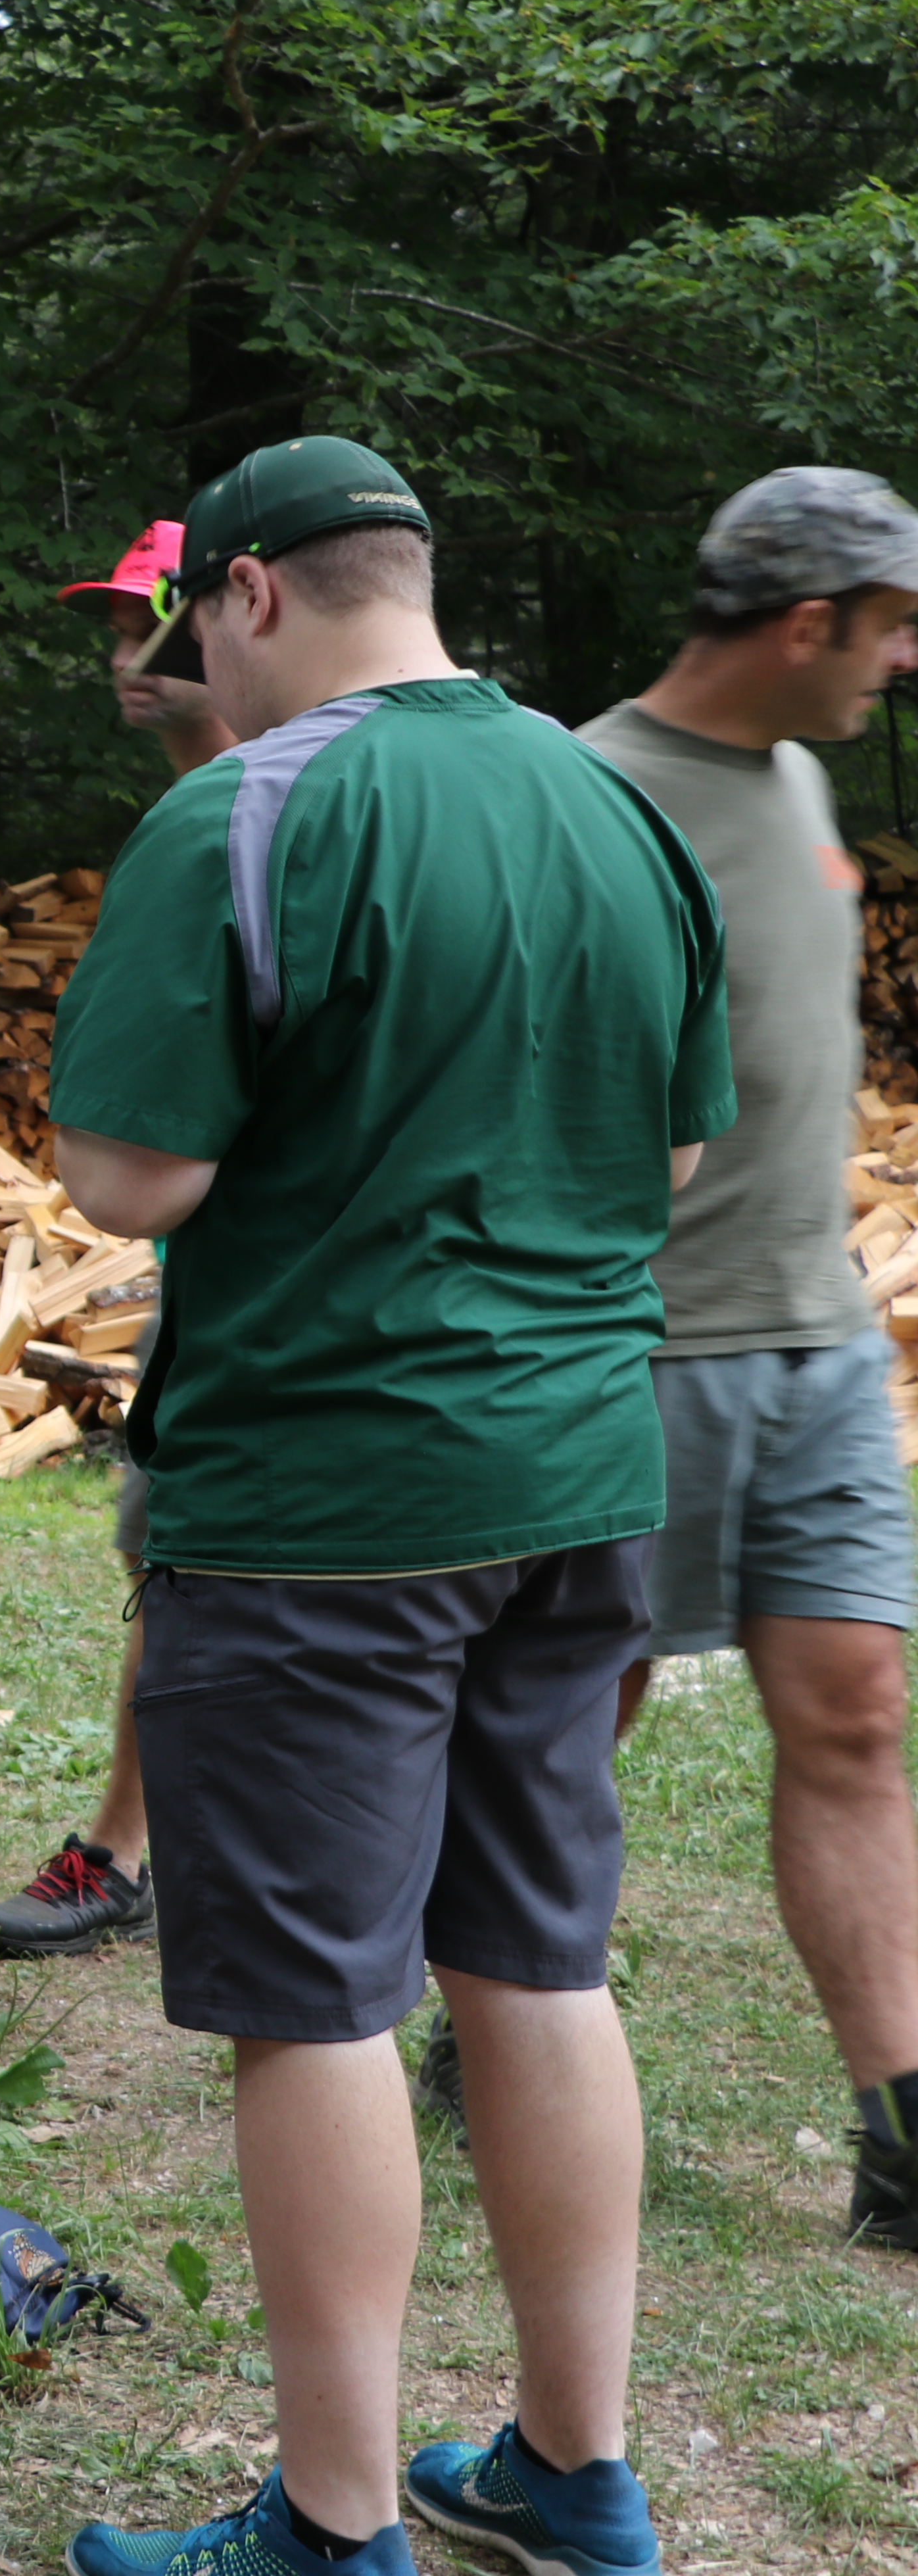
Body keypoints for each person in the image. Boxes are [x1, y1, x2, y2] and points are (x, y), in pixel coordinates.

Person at [53, 435, 729, 2576]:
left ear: (252, 594)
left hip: (324, 1494)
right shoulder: (620, 808)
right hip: (581, 1473)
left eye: (197, 632)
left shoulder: (242, 810)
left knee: (319, 2005)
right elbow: (677, 1162)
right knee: (541, 1964)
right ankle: (573, 2468)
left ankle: (335, 2522)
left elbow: (125, 1175)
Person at [582, 467, 918, 2254]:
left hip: (818, 1336)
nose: (903, 659)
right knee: (580, 1716)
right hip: (636, 1351)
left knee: (855, 1707)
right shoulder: (585, 793)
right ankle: (514, 2014)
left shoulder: (801, 770)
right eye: (889, 627)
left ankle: (904, 2128)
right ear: (808, 626)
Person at [0, 521, 239, 1959]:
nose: (123, 656)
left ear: (244, 619)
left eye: (152, 621)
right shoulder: (191, 817)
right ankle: (125, 1850)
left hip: (297, 1317)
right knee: (165, 1545)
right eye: (110, 624)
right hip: (210, 1294)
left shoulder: (271, 818)